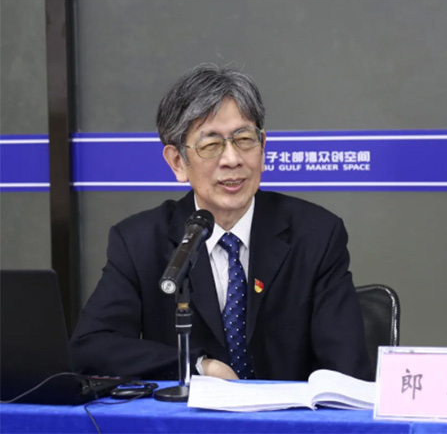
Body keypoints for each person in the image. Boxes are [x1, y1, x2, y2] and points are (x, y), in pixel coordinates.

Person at [69, 64, 372, 381]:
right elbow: (90, 348)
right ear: (178, 162)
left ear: (263, 148)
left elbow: (347, 371)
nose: (232, 159)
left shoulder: (316, 234)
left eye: (244, 139)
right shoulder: (139, 242)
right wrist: (198, 366)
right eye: (211, 145)